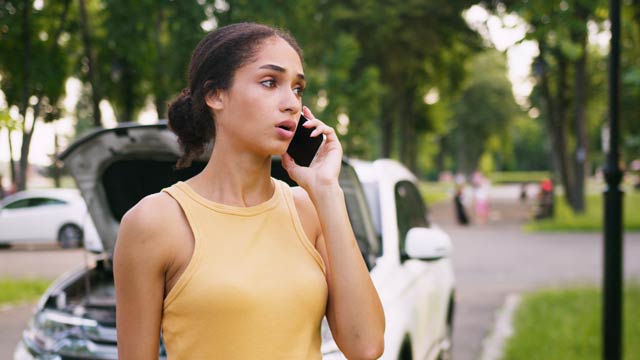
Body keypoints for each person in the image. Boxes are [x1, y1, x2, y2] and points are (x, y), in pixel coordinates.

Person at [113, 23, 385, 360]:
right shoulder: (155, 222)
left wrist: (327, 190)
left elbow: (366, 346)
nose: (291, 104)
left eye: (298, 89)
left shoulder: (308, 210)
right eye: (270, 82)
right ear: (215, 95)